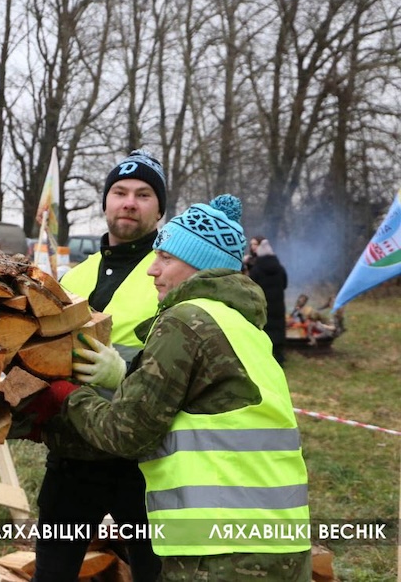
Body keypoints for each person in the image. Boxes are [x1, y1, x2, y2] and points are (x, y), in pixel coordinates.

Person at [52, 195, 311, 580]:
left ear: (200, 265)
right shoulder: (242, 325)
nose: (152, 270)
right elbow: (206, 409)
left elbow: (126, 434)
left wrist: (67, 398)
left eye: (166, 259)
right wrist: (125, 376)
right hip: (280, 540)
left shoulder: (185, 320)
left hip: (217, 548)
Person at [18, 150, 166, 581]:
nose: (129, 202)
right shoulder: (75, 276)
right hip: (74, 453)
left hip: (142, 459)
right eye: (119, 192)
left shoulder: (168, 274)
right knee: (54, 573)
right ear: (105, 203)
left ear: (159, 208)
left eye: (143, 194)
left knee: (153, 573)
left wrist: (126, 371)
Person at [248, 238, 288, 364]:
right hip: (278, 303)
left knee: (266, 327)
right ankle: (280, 356)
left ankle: (266, 356)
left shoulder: (256, 269)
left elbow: (252, 286)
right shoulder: (280, 268)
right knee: (279, 326)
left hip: (263, 303)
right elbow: (285, 284)